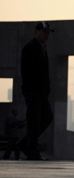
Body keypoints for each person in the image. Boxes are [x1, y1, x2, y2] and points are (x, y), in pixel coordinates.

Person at [17, 21, 55, 160]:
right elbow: (27, 72)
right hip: (33, 92)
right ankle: (31, 151)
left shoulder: (42, 49)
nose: (47, 35)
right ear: (36, 31)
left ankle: (25, 144)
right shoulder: (30, 48)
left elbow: (45, 73)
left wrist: (46, 88)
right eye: (44, 32)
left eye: (48, 33)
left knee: (47, 117)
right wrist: (33, 90)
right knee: (34, 120)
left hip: (41, 93)